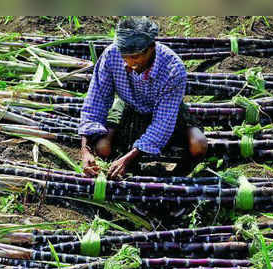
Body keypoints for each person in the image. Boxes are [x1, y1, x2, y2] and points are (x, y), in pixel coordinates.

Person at [79, 17, 208, 179]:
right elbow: (94, 103)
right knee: (102, 147)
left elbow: (162, 124)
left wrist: (128, 159)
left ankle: (174, 178)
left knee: (198, 144)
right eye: (124, 56)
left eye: (134, 57)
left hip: (164, 112)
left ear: (151, 48)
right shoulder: (111, 55)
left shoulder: (173, 69)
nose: (127, 63)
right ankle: (123, 170)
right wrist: (85, 150)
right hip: (129, 106)